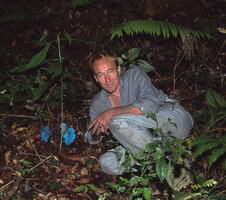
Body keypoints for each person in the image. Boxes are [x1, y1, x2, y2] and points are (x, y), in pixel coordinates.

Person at [85, 52, 193, 175]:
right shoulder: (97, 103)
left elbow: (149, 104)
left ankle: (174, 172)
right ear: (96, 79)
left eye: (110, 71)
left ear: (119, 69)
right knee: (107, 162)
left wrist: (112, 112)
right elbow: (91, 138)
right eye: (101, 75)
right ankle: (166, 161)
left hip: (172, 121)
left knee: (117, 122)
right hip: (148, 140)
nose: (107, 79)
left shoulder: (135, 75)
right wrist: (97, 132)